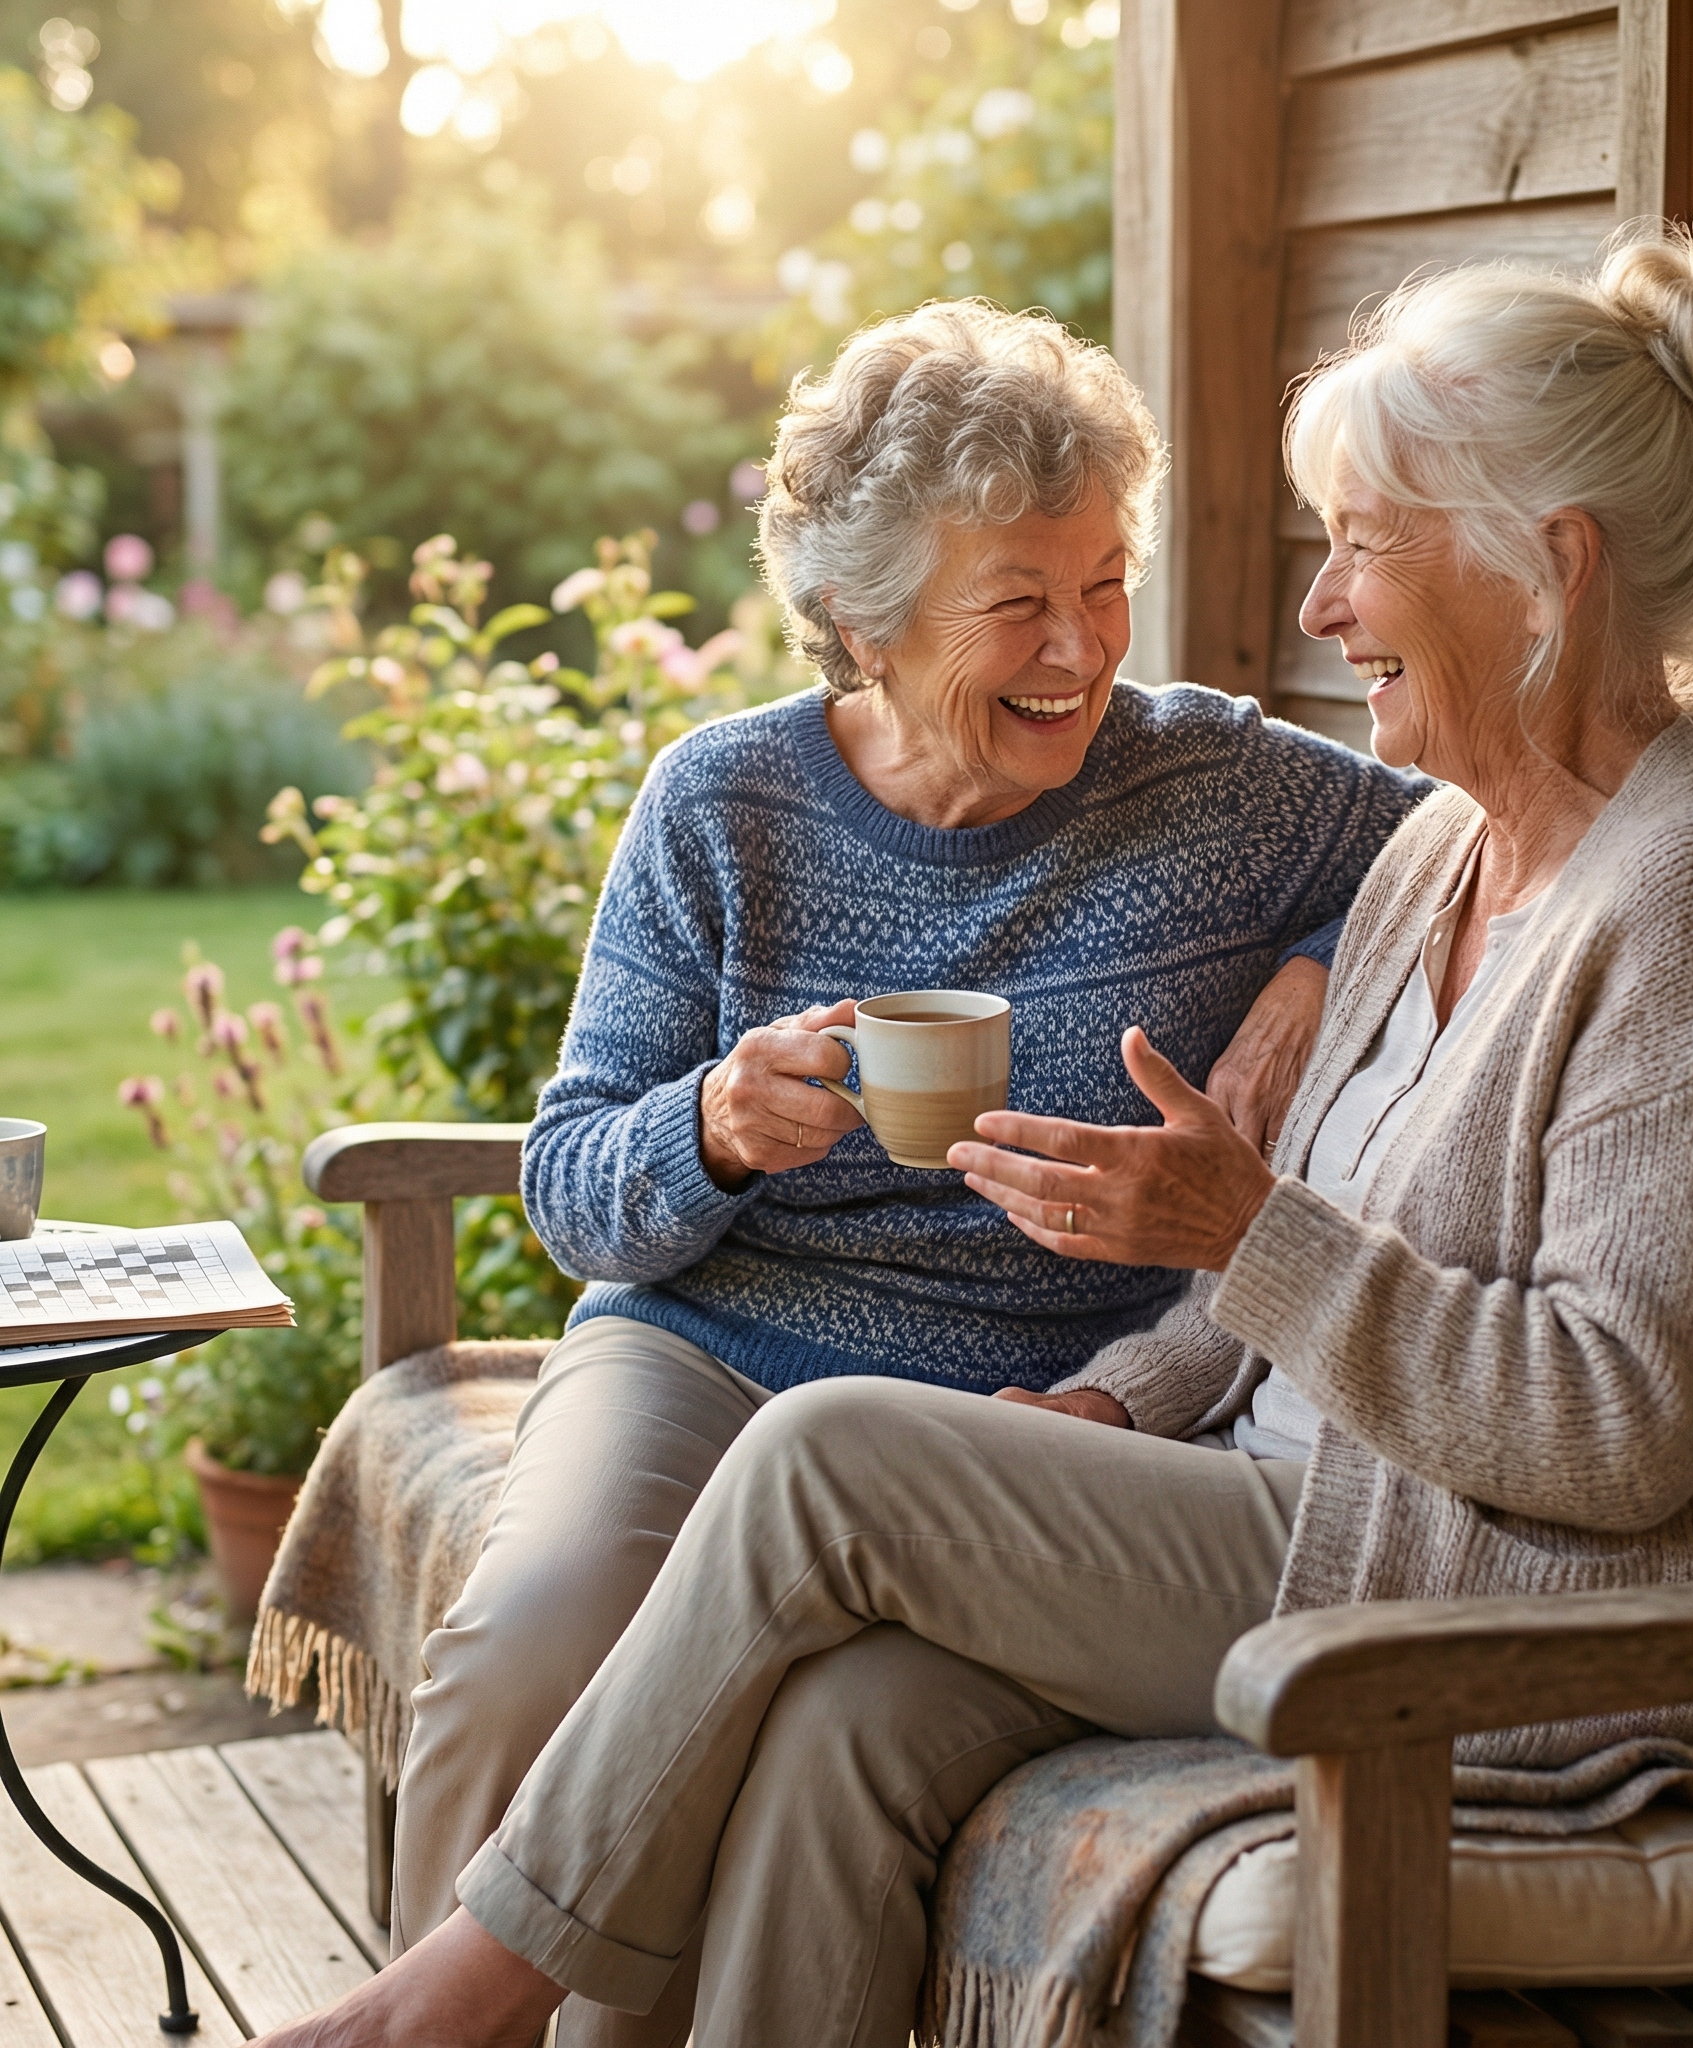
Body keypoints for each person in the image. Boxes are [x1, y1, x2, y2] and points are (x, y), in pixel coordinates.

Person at [256, 237, 1693, 2048]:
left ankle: (449, 2008)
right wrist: (1118, 1387)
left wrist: (1248, 1201)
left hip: (1452, 1587)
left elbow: (1617, 1422)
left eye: (1361, 543)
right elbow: (1291, 1251)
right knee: (837, 1726)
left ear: (1549, 570)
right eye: (1328, 546)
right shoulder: (1446, 848)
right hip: (1189, 1472)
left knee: (830, 1465)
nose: (1321, 612)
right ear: (867, 622)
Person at [386, 300, 1421, 1967]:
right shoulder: (722, 804)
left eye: (1103, 584)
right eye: (1017, 604)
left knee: (768, 1718)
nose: (1083, 651)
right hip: (707, 1353)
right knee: (535, 1636)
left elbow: (1464, 831)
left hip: (1017, 1418)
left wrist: (1314, 965)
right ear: (861, 625)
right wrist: (713, 1127)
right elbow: (573, 1193)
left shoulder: (1214, 782)